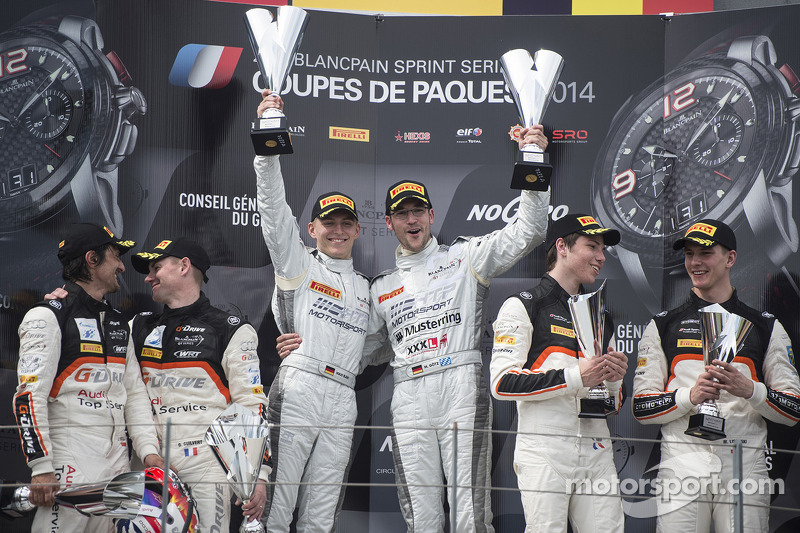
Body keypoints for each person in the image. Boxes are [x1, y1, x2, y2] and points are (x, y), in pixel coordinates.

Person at [358, 124, 550, 532]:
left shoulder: (466, 257)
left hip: (460, 384)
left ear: (431, 215)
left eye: (418, 211)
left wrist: (532, 157)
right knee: (421, 517)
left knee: (470, 512)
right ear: (388, 222)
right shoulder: (381, 287)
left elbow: (530, 231)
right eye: (401, 214)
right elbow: (364, 351)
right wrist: (303, 349)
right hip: (408, 394)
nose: (412, 221)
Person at [252, 90, 378, 532]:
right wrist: (269, 135)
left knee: (323, 515)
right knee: (275, 504)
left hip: (344, 397)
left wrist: (360, 357)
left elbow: (380, 346)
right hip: (300, 385)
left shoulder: (367, 288)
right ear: (312, 228)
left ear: (359, 230)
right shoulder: (298, 264)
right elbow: (271, 209)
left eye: (346, 224)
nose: (338, 231)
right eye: (329, 223)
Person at [633, 219, 800, 532]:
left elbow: (793, 411)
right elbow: (641, 409)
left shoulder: (765, 326)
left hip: (743, 464)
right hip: (681, 464)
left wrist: (751, 390)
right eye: (690, 254)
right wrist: (689, 397)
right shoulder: (662, 325)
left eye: (706, 253)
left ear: (730, 258)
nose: (695, 262)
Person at [12, 222, 163, 533]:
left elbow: (133, 394)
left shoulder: (121, 324)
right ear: (92, 259)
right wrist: (41, 468)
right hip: (69, 467)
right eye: (115, 257)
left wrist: (149, 453)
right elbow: (29, 396)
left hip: (120, 471)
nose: (123, 265)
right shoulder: (48, 315)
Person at [489, 214, 627, 533]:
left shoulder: (601, 318)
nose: (601, 257)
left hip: (596, 450)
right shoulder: (525, 306)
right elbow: (502, 383)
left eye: (603, 249)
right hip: (545, 449)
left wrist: (615, 379)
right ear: (562, 247)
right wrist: (576, 377)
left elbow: (614, 404)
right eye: (591, 246)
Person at [128, 237, 270, 531]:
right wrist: (66, 301)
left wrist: (259, 474)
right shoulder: (137, 327)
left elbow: (252, 406)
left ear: (183, 266)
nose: (148, 277)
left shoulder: (230, 329)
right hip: (149, 459)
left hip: (207, 462)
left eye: (156, 267)